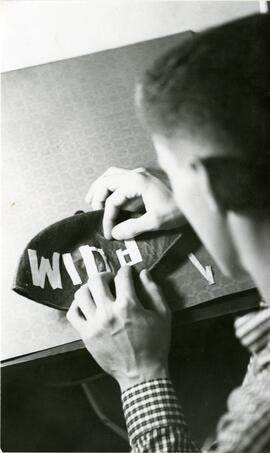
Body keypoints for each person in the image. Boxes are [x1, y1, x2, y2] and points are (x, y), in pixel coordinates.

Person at [67, 14, 270, 452]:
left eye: (177, 176)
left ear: (211, 188)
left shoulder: (260, 421)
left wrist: (140, 375)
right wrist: (196, 196)